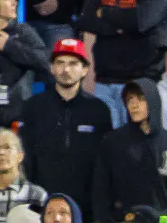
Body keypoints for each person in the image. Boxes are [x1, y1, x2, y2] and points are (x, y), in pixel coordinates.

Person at [17, 38, 111, 209]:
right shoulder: (33, 106)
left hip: (86, 204)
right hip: (42, 202)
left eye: (73, 63)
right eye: (60, 63)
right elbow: (26, 157)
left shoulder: (99, 110)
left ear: (85, 70)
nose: (65, 69)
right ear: (52, 68)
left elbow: (103, 162)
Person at [92, 80, 167, 222]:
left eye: (141, 99)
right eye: (130, 99)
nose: (134, 104)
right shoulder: (112, 143)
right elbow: (101, 193)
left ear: (153, 100)